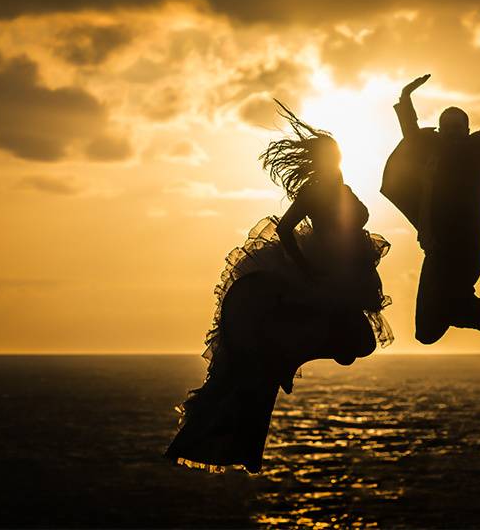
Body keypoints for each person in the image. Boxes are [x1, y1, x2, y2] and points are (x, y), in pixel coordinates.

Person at [165, 102, 392, 473]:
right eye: (332, 157)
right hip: (325, 271)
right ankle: (235, 432)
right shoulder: (314, 193)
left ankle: (290, 356)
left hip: (346, 272)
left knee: (358, 345)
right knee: (341, 347)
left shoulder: (343, 187)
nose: (337, 162)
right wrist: (304, 265)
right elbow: (285, 229)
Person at [381, 58, 480, 368]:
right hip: (435, 249)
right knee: (426, 332)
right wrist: (405, 99)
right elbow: (412, 135)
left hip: (464, 249)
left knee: (435, 323)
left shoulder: (479, 154)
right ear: (442, 131)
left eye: (459, 129)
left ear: (467, 130)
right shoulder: (432, 154)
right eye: (448, 129)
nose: (454, 134)